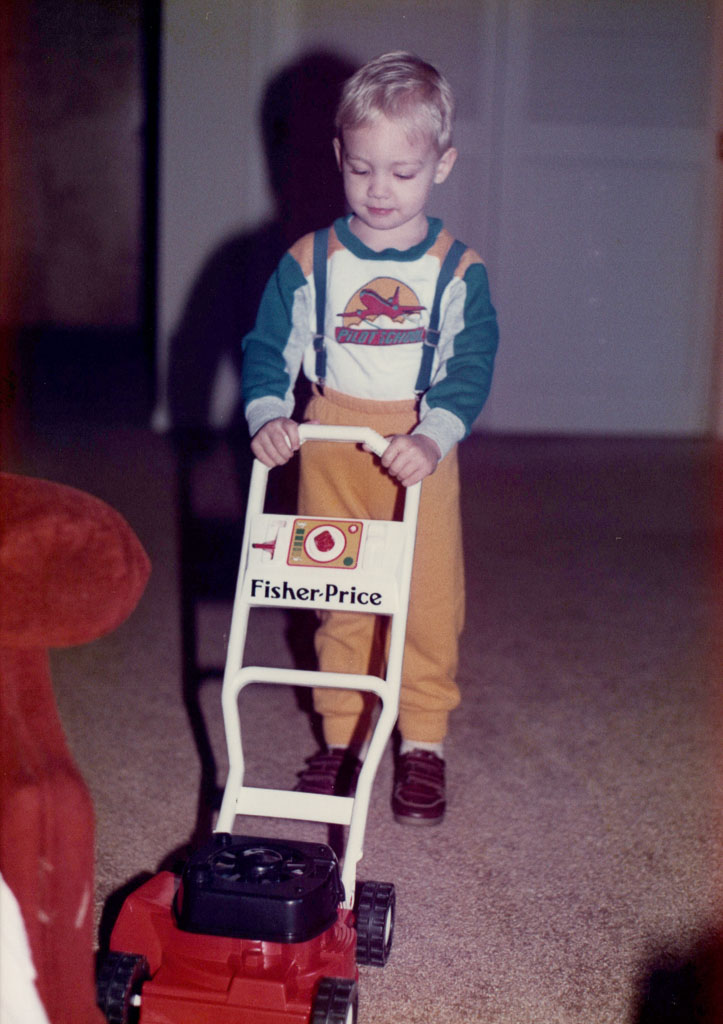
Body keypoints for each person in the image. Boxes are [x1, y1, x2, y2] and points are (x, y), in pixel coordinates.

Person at [241, 51, 499, 825]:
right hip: (328, 442)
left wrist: (435, 434)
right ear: (339, 159)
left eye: (402, 172)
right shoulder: (310, 261)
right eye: (361, 169)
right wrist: (268, 414)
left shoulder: (456, 270)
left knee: (426, 601)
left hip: (416, 450)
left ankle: (422, 740)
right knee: (338, 594)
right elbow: (268, 347)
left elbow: (470, 362)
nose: (379, 189)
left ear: (440, 165)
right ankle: (340, 736)